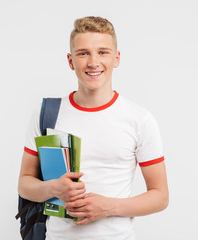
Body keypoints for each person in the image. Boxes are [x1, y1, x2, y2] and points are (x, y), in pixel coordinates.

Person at [18, 16, 169, 240]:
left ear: (116, 58)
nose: (93, 62)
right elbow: (24, 184)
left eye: (103, 52)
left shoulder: (140, 119)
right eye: (83, 53)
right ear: (70, 61)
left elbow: (160, 196)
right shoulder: (48, 113)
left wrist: (108, 207)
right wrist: (53, 189)